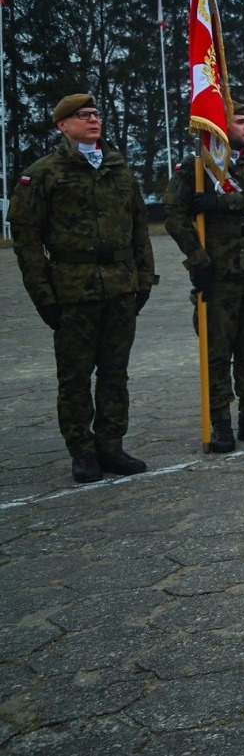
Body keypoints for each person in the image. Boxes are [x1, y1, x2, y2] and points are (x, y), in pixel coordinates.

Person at [11, 93, 158, 483]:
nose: (93, 120)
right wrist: (43, 295)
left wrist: (144, 279)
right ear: (62, 125)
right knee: (75, 377)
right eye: (82, 116)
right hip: (73, 292)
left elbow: (139, 227)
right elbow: (27, 241)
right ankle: (82, 450)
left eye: (96, 114)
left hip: (120, 288)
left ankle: (111, 445)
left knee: (115, 373)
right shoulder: (43, 173)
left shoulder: (118, 168)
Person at [164, 101, 244, 453]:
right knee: (217, 352)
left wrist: (226, 203)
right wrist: (197, 258)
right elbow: (175, 216)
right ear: (219, 127)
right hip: (217, 274)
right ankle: (219, 421)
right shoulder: (197, 168)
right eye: (240, 121)